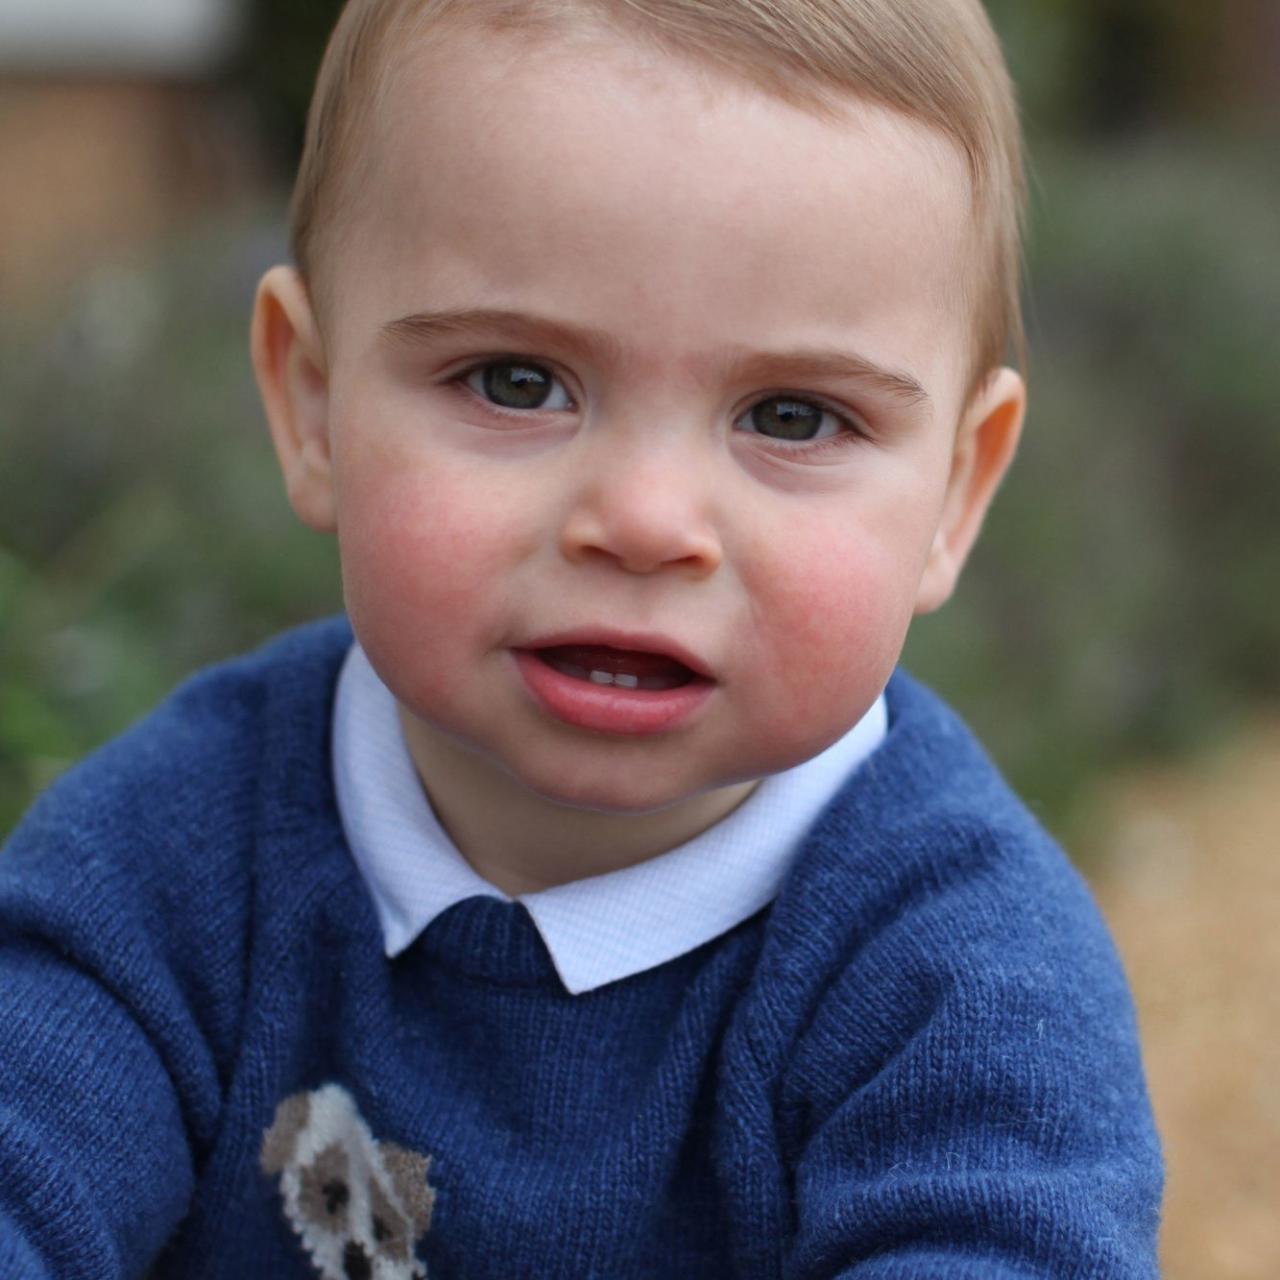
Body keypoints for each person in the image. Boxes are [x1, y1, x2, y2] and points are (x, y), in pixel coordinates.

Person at [0, 0, 1164, 1276]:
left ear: (953, 492)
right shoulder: (169, 864)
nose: (646, 522)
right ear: (314, 403)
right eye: (515, 381)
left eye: (790, 414)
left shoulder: (959, 982)